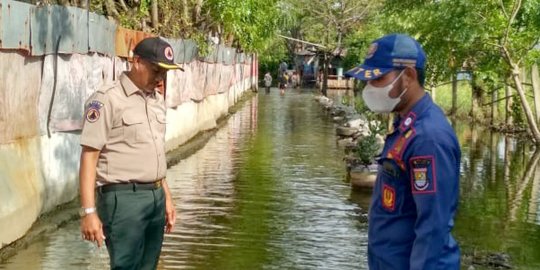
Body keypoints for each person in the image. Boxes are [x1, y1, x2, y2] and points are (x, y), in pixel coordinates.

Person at [345, 34, 461, 269]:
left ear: (408, 76)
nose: (369, 87)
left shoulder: (428, 138)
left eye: (378, 78)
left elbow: (433, 230)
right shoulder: (404, 126)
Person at [79, 37, 183, 270]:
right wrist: (88, 211)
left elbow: (153, 152)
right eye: (156, 69)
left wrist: (166, 195)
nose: (160, 78)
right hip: (123, 199)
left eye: (165, 72)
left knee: (148, 266)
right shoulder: (107, 99)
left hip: (155, 198)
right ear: (137, 61)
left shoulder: (156, 101)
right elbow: (89, 156)